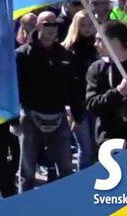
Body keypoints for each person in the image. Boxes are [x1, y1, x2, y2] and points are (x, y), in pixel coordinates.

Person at [15, 12, 82, 192]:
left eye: (54, 25)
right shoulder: (22, 55)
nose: (51, 29)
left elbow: (74, 89)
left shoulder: (66, 55)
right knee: (27, 169)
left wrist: (77, 115)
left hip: (58, 116)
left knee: (66, 167)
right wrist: (14, 120)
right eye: (47, 24)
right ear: (38, 26)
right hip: (30, 116)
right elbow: (14, 88)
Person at [60, 9, 99, 171]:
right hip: (77, 105)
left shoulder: (98, 47)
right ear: (76, 26)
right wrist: (67, 106)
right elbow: (63, 82)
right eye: (83, 25)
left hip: (96, 101)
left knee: (97, 146)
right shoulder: (67, 50)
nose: (87, 28)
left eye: (90, 24)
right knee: (85, 147)